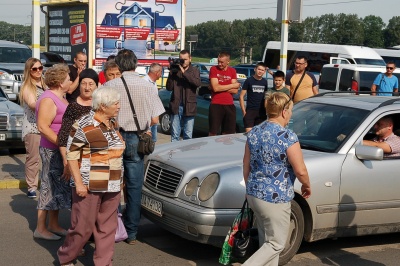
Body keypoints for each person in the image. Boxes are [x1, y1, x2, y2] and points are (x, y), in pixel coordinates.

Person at [57, 87, 124, 266]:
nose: (119, 106)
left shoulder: (113, 123)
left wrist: (120, 182)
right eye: (115, 103)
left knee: (108, 228)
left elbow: (116, 154)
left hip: (112, 185)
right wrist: (78, 183)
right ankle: (66, 257)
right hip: (88, 184)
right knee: (82, 227)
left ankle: (104, 262)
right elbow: (72, 155)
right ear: (103, 106)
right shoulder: (84, 124)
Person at [103, 49, 165, 245]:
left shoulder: (110, 85)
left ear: (119, 66)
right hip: (138, 139)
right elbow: (156, 118)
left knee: (110, 185)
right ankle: (131, 232)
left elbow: (100, 115)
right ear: (136, 64)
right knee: (134, 185)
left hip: (115, 137)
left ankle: (109, 226)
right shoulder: (147, 86)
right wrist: (145, 128)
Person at [242, 92, 311, 266]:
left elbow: (246, 165)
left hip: (254, 194)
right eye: (290, 111)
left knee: (266, 243)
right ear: (284, 112)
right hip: (275, 197)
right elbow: (300, 170)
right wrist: (307, 185)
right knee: (276, 244)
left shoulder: (254, 132)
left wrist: (249, 187)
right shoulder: (287, 137)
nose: (290, 115)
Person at [34, 64, 71, 241]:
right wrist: (61, 143)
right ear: (60, 81)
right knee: (48, 187)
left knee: (57, 187)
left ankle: (53, 224)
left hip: (60, 148)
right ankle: (40, 228)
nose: (70, 81)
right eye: (68, 78)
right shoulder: (48, 98)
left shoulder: (60, 96)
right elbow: (43, 127)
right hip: (51, 149)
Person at [58, 69, 99, 179]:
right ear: (79, 85)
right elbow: (63, 136)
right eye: (83, 84)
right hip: (77, 158)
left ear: (97, 86)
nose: (87, 88)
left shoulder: (100, 106)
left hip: (98, 158)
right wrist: (66, 161)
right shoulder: (73, 107)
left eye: (91, 84)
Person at [19, 58, 46, 198]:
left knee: (48, 158)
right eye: (35, 69)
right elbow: (32, 104)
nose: (38, 71)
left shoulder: (45, 83)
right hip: (33, 127)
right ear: (29, 70)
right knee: (33, 158)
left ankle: (48, 183)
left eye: (40, 68)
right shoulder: (27, 86)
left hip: (47, 127)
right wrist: (50, 101)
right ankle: (31, 186)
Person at [166, 50, 201, 141]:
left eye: (185, 59)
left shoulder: (194, 70)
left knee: (188, 135)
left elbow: (197, 83)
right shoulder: (175, 71)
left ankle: (186, 154)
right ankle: (174, 154)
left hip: (189, 106)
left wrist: (184, 73)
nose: (183, 62)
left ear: (190, 59)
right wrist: (170, 74)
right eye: (181, 59)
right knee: (175, 136)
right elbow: (169, 88)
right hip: (176, 105)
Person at [209, 51, 241, 136]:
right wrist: (232, 85)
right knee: (213, 132)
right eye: (218, 61)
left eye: (222, 62)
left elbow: (235, 90)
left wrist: (220, 87)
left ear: (228, 62)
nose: (219, 64)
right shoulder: (213, 69)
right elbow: (216, 88)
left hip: (229, 105)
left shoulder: (232, 71)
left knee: (228, 133)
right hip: (216, 104)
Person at [239, 62, 268, 132]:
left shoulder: (265, 82)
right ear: (255, 69)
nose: (260, 71)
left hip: (261, 112)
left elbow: (266, 97)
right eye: (259, 69)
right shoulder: (249, 80)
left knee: (260, 135)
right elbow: (241, 96)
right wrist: (243, 111)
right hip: (250, 111)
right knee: (249, 135)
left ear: (264, 71)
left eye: (262, 70)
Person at [143, 63, 163, 142]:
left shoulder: (153, 83)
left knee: (153, 141)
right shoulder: (144, 82)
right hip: (147, 119)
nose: (161, 74)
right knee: (147, 142)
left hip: (153, 116)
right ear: (157, 72)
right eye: (161, 72)